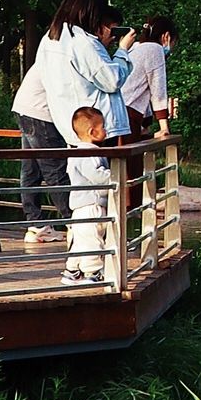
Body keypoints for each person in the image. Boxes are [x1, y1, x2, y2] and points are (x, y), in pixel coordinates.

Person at [15, 0, 116, 247]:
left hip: (25, 106)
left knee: (32, 169)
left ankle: (35, 223)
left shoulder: (53, 35)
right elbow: (105, 81)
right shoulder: (77, 42)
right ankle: (76, 226)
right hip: (42, 112)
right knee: (55, 169)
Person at [65, 104, 115, 286]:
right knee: (92, 240)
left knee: (80, 240)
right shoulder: (88, 153)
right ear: (93, 132)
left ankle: (72, 270)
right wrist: (116, 177)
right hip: (90, 206)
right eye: (103, 127)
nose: (106, 131)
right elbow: (97, 176)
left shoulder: (80, 151)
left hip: (83, 206)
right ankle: (92, 272)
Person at [120, 17, 175, 135]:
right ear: (167, 36)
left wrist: (146, 123)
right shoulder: (155, 49)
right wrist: (164, 127)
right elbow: (158, 90)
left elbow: (143, 88)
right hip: (127, 115)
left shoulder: (135, 48)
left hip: (117, 112)